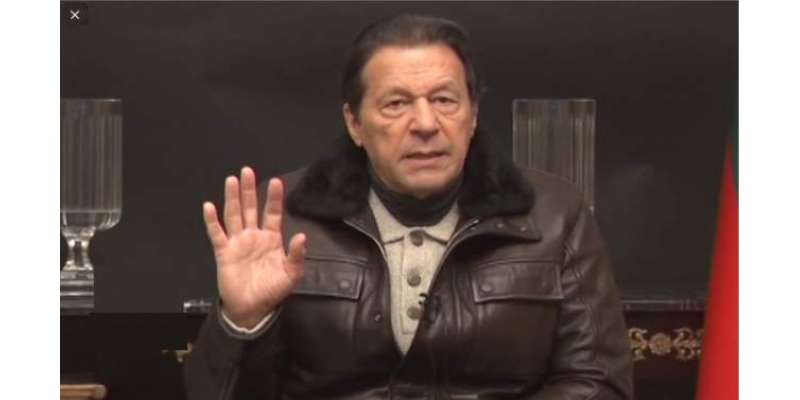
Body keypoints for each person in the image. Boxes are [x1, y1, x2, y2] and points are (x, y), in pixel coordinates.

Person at [185, 14, 633, 400]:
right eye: (396, 104)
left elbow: (597, 384)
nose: (425, 124)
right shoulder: (281, 219)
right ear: (355, 122)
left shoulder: (554, 214)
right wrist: (243, 322)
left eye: (444, 100)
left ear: (473, 114)